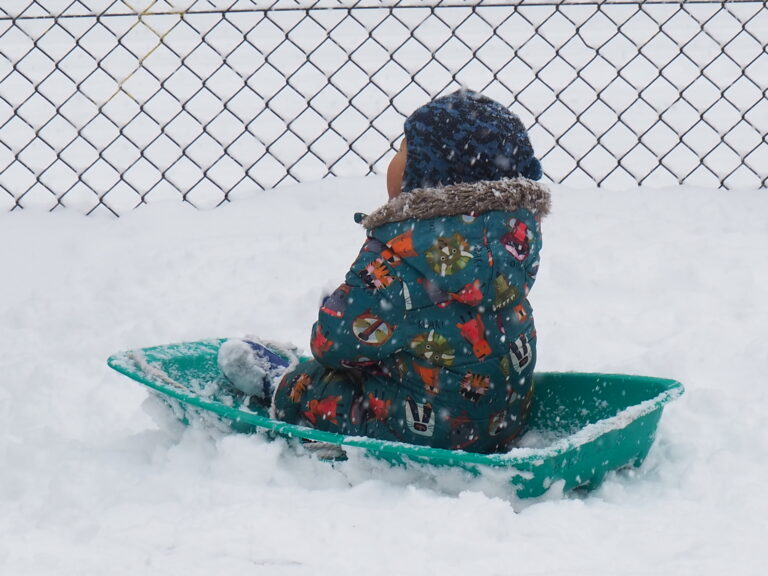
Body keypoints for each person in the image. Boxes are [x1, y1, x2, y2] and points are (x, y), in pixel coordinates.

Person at [219, 89, 550, 453]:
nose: (394, 159)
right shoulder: (511, 239)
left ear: (427, 173)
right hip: (502, 420)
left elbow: (332, 344)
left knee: (322, 380)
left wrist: (337, 306)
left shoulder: (400, 252)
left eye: (403, 149)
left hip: (416, 430)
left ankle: (281, 385)